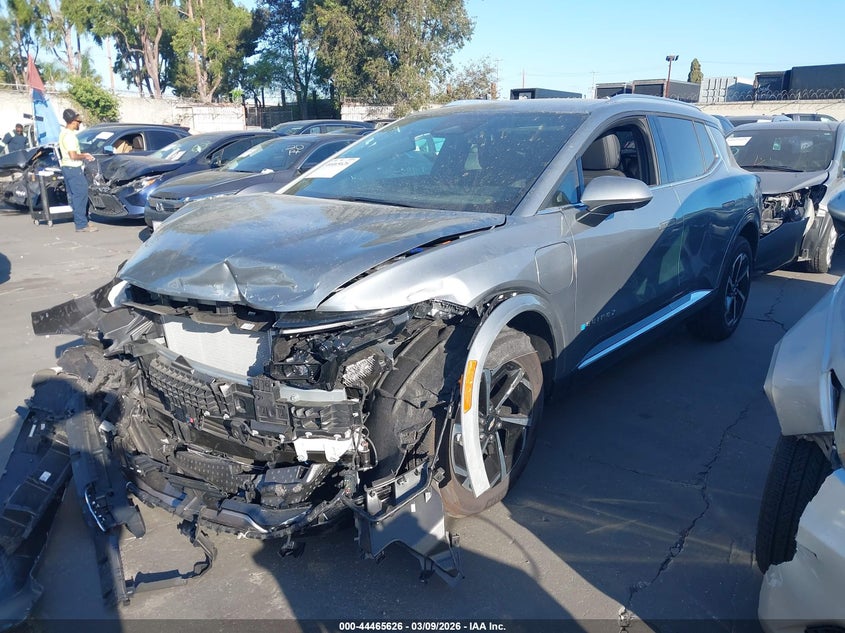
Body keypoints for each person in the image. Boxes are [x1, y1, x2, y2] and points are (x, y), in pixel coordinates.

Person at [58, 108, 97, 232]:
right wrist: (85, 155)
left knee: (76, 195)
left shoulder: (63, 133)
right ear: (72, 121)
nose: (79, 124)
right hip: (73, 168)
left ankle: (83, 221)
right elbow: (73, 155)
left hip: (67, 168)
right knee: (80, 195)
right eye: (78, 122)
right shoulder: (69, 136)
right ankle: (81, 225)